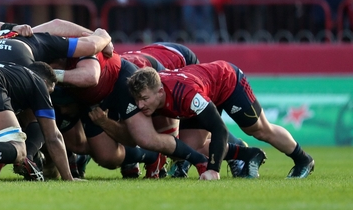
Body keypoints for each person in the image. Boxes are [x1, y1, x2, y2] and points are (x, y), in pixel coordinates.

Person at [128, 63, 315, 179]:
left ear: (160, 92)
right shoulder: (156, 91)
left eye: (144, 99)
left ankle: (303, 160)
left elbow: (220, 129)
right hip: (205, 90)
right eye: (137, 99)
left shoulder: (185, 94)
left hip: (228, 82)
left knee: (259, 130)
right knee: (187, 147)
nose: (140, 104)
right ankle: (249, 155)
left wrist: (213, 170)